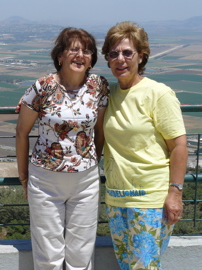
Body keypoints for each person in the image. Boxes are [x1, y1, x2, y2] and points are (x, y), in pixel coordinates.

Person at [15, 27, 109, 270]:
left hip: (86, 181)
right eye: (74, 49)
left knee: (81, 253)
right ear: (59, 56)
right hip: (45, 180)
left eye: (87, 51)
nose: (80, 55)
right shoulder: (42, 86)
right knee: (49, 255)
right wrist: (23, 175)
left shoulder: (99, 86)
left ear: (92, 60)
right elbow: (21, 132)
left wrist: (90, 163)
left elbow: (100, 133)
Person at [101, 21, 188, 270]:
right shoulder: (109, 94)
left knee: (144, 268)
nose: (120, 59)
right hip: (117, 199)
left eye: (127, 52)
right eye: (113, 53)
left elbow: (179, 146)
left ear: (141, 56)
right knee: (128, 266)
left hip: (150, 200)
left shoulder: (158, 94)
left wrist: (175, 193)